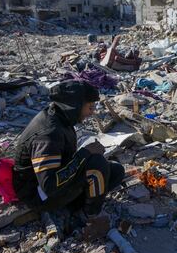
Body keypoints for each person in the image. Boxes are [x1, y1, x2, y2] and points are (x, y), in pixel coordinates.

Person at [12, 80, 124, 226]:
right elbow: (49, 185)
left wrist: (86, 155)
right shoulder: (49, 134)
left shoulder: (60, 117)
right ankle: (91, 216)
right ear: (74, 106)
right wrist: (85, 153)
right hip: (38, 195)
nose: (92, 112)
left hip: (55, 181)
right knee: (97, 166)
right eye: (89, 107)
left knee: (115, 171)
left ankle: (74, 205)